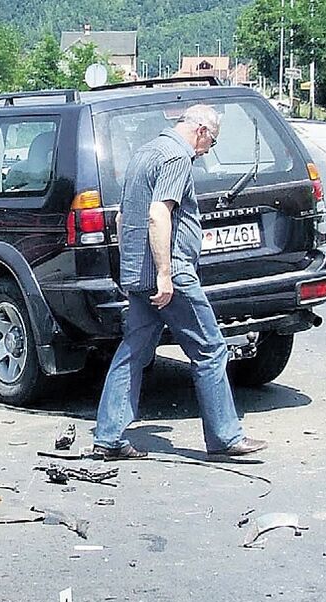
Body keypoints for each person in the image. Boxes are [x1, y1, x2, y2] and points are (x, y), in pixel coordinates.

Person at [92, 104, 268, 461]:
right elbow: (158, 215)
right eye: (212, 143)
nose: (207, 151)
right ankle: (225, 437)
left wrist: (134, 271)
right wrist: (164, 273)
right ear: (201, 130)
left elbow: (124, 216)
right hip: (169, 272)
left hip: (138, 273)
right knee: (210, 348)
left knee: (134, 352)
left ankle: (109, 436)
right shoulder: (175, 157)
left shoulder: (145, 152)